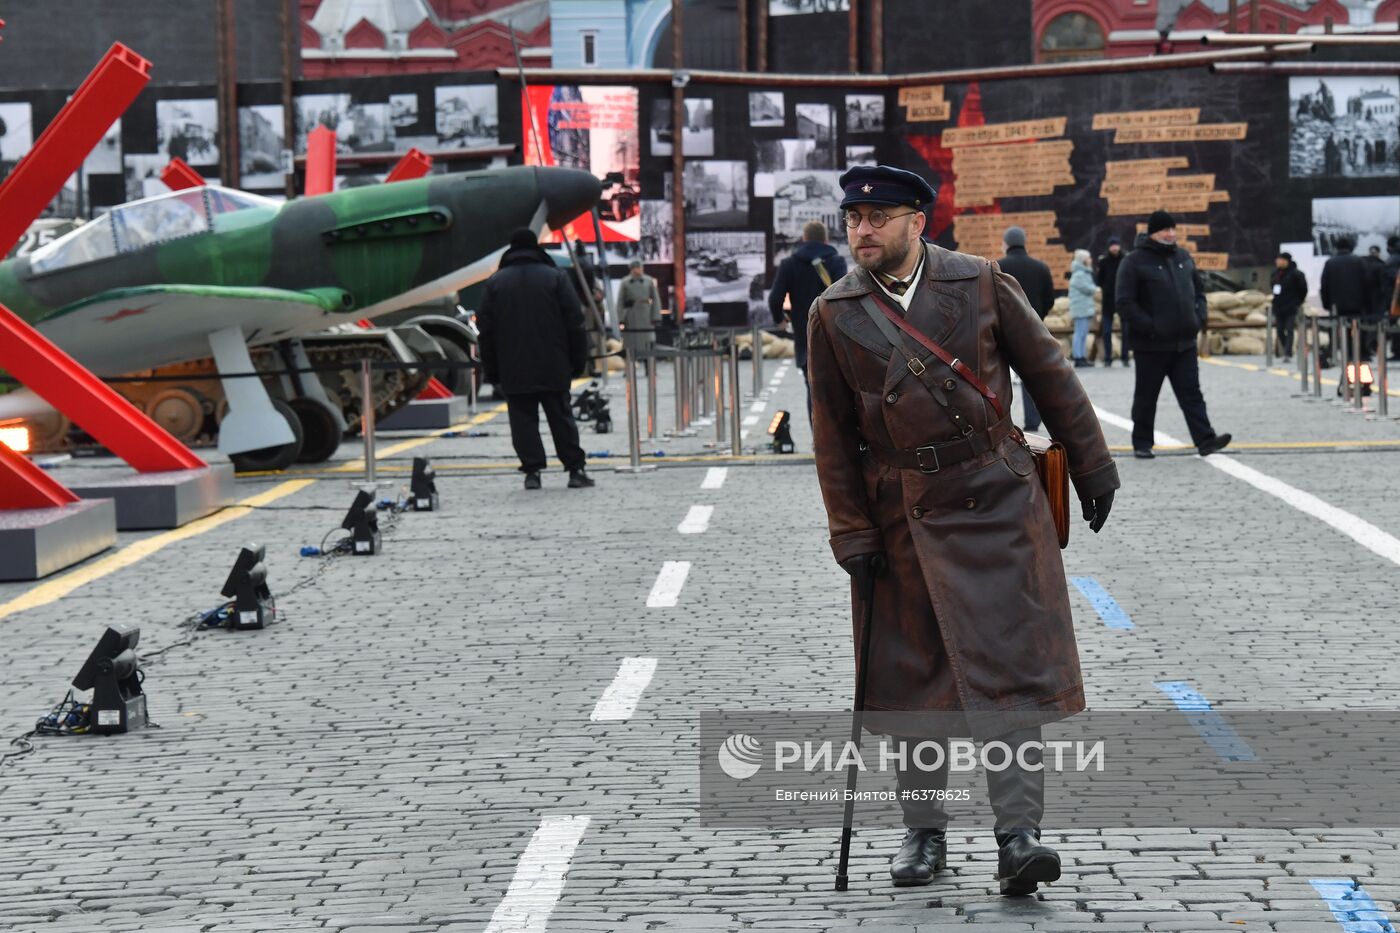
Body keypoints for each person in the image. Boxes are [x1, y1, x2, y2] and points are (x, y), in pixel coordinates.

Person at [807, 164, 1118, 896]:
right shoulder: (832, 311)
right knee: (915, 681)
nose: (863, 230)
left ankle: (1019, 837)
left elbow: (1050, 375)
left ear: (919, 220)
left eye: (878, 217)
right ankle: (925, 833)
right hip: (900, 513)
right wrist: (851, 531)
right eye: (853, 217)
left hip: (997, 498)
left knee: (1009, 672)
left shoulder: (978, 282)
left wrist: (1093, 468)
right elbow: (830, 433)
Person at [476, 228, 594, 490]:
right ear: (537, 248)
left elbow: (486, 331)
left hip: (514, 366)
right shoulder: (555, 278)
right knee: (561, 418)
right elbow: (575, 323)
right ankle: (575, 470)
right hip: (554, 363)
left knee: (522, 421)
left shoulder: (496, 282)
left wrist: (492, 370)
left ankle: (532, 472)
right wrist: (578, 361)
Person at [1115, 210, 1232, 460]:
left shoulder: (1183, 257)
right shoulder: (1134, 261)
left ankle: (1205, 440)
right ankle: (1142, 443)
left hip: (1184, 344)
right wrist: (1151, 326)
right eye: (1164, 230)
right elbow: (1125, 302)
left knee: (1192, 394)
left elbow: (1199, 292)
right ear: (1153, 232)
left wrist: (1199, 317)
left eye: (1172, 229)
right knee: (1147, 396)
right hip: (1151, 345)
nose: (1170, 234)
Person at [769, 220, 847, 419]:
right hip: (835, 337)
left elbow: (775, 298)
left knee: (813, 390)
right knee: (841, 391)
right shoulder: (837, 262)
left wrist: (780, 320)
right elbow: (844, 297)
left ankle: (818, 442)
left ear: (804, 239)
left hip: (806, 338)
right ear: (826, 239)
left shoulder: (789, 264)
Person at [996, 226, 1055, 432]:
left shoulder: (997, 267)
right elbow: (1050, 299)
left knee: (998, 376)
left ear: (1006, 244)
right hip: (1033, 329)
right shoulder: (1041, 267)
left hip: (1002, 329)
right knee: (1032, 376)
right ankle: (1033, 421)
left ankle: (1001, 424)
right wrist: (1037, 317)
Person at [1320, 235, 1377, 363]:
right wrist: (1368, 303)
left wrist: (1327, 303)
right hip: (1357, 304)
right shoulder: (1359, 262)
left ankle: (1344, 353)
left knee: (1340, 329)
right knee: (1359, 329)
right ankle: (1361, 353)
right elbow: (1367, 283)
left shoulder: (1330, 263)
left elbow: (1325, 285)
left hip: (1337, 305)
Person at [618, 259, 662, 373]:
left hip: (646, 315)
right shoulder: (625, 282)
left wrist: (656, 316)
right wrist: (621, 318)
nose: (640, 269)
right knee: (629, 344)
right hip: (631, 316)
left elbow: (656, 299)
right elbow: (620, 302)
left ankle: (650, 368)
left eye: (641, 267)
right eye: (638, 267)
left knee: (648, 342)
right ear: (632, 269)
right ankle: (629, 369)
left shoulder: (648, 281)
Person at [1095, 236, 1128, 366]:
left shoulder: (1125, 259)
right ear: (1109, 247)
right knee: (1107, 331)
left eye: (1116, 245)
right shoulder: (1104, 262)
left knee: (1126, 330)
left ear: (1119, 246)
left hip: (1122, 299)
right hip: (1108, 301)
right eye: (1112, 245)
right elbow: (1099, 280)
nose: (1114, 247)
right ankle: (1108, 358)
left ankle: (1125, 357)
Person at [1270, 252, 1308, 361]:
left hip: (1291, 306)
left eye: (1280, 260)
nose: (1278, 262)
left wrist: (1298, 302)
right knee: (1280, 330)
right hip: (1279, 306)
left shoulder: (1296, 274)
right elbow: (1273, 287)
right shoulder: (1275, 274)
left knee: (1290, 329)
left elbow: (1303, 289)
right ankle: (1287, 349)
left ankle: (1287, 353)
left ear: (1286, 261)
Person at [1068, 249, 1097, 368]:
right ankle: (1078, 357)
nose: (1090, 260)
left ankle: (1082, 356)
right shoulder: (1079, 274)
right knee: (1080, 333)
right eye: (1088, 258)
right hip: (1081, 309)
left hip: (1083, 308)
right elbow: (1089, 289)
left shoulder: (1083, 273)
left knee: (1083, 333)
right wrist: (1094, 288)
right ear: (1083, 260)